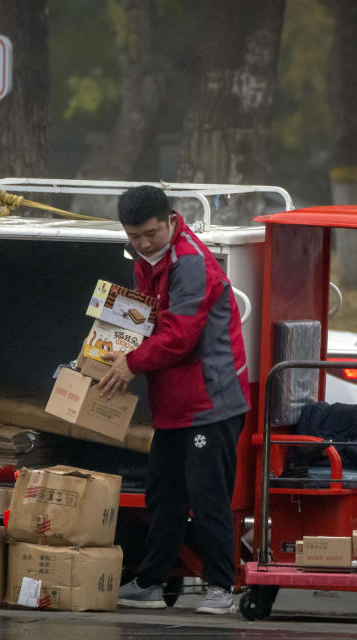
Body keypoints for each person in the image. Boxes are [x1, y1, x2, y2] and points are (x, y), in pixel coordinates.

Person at [96, 185, 250, 615]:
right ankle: (150, 581)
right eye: (133, 236)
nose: (142, 243)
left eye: (149, 233)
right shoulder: (148, 260)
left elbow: (180, 336)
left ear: (170, 220)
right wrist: (116, 351)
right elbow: (144, 318)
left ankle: (222, 587)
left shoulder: (192, 263)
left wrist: (131, 362)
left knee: (209, 497)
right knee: (163, 493)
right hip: (173, 402)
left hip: (211, 400)